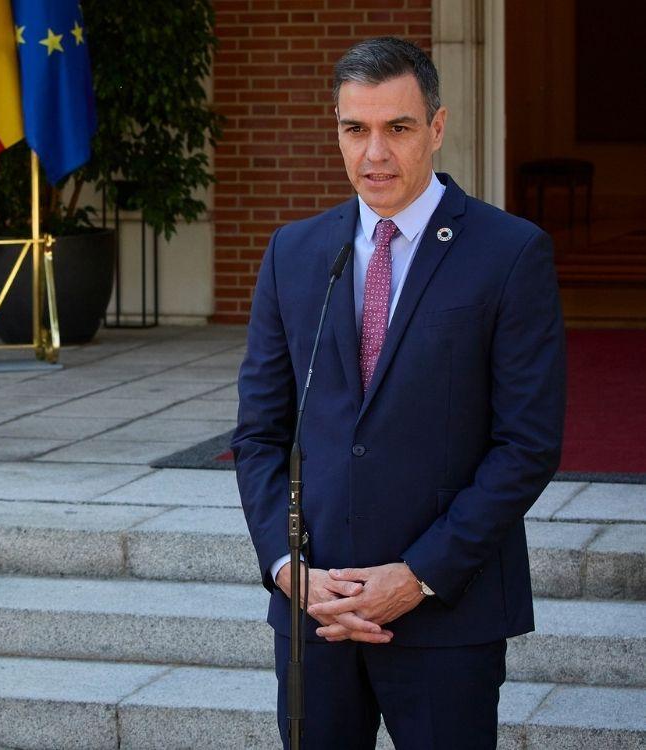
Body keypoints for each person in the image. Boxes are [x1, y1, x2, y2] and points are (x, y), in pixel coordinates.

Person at [231, 37, 565, 750]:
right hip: (314, 616)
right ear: (338, 130)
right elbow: (261, 434)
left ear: (437, 128)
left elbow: (526, 446)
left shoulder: (510, 254)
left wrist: (417, 575)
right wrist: (289, 569)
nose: (374, 153)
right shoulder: (293, 252)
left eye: (398, 128)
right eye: (356, 129)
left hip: (448, 615)